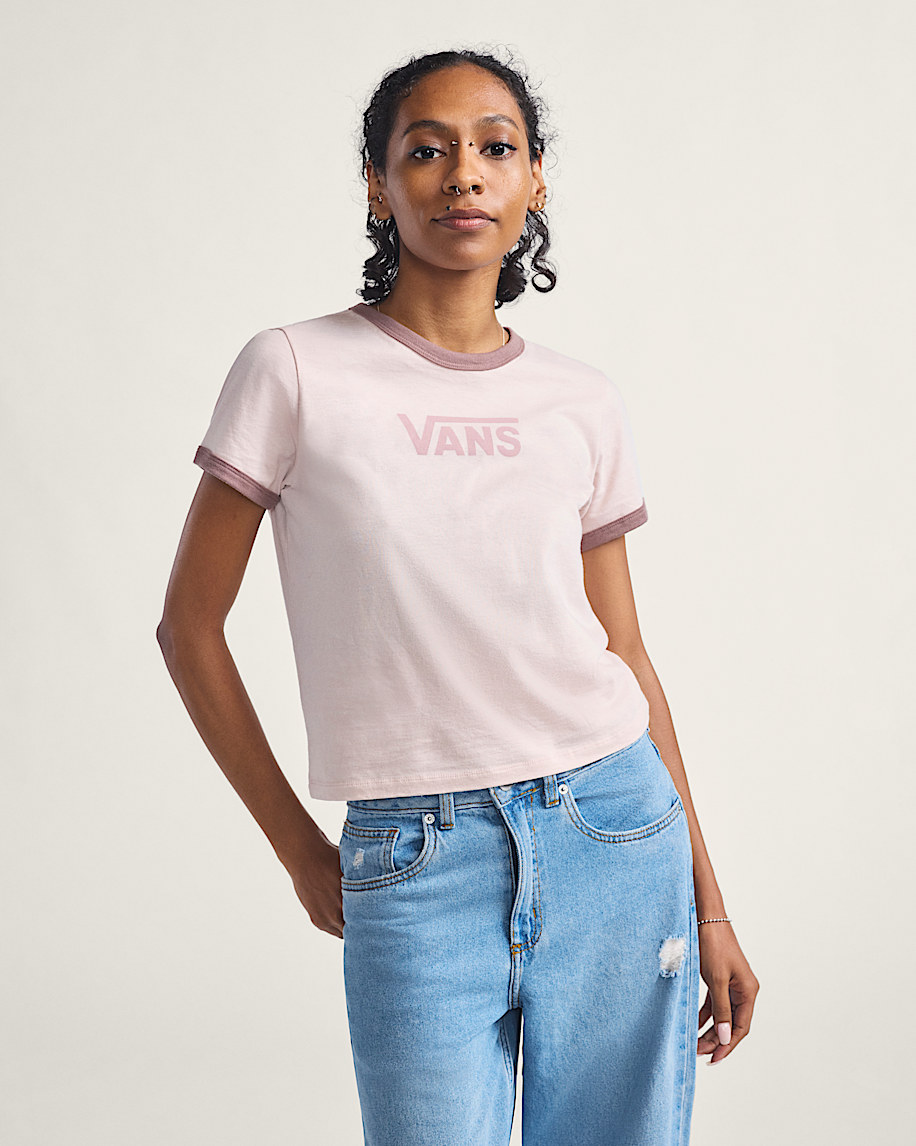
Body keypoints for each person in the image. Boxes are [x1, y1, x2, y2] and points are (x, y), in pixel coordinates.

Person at [157, 46, 759, 1146]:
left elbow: (625, 654)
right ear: (378, 185)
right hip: (416, 855)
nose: (463, 173)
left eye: (495, 148)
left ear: (534, 181)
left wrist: (708, 901)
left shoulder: (580, 400)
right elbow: (187, 628)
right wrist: (298, 848)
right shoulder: (293, 369)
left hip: (614, 830)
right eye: (426, 150)